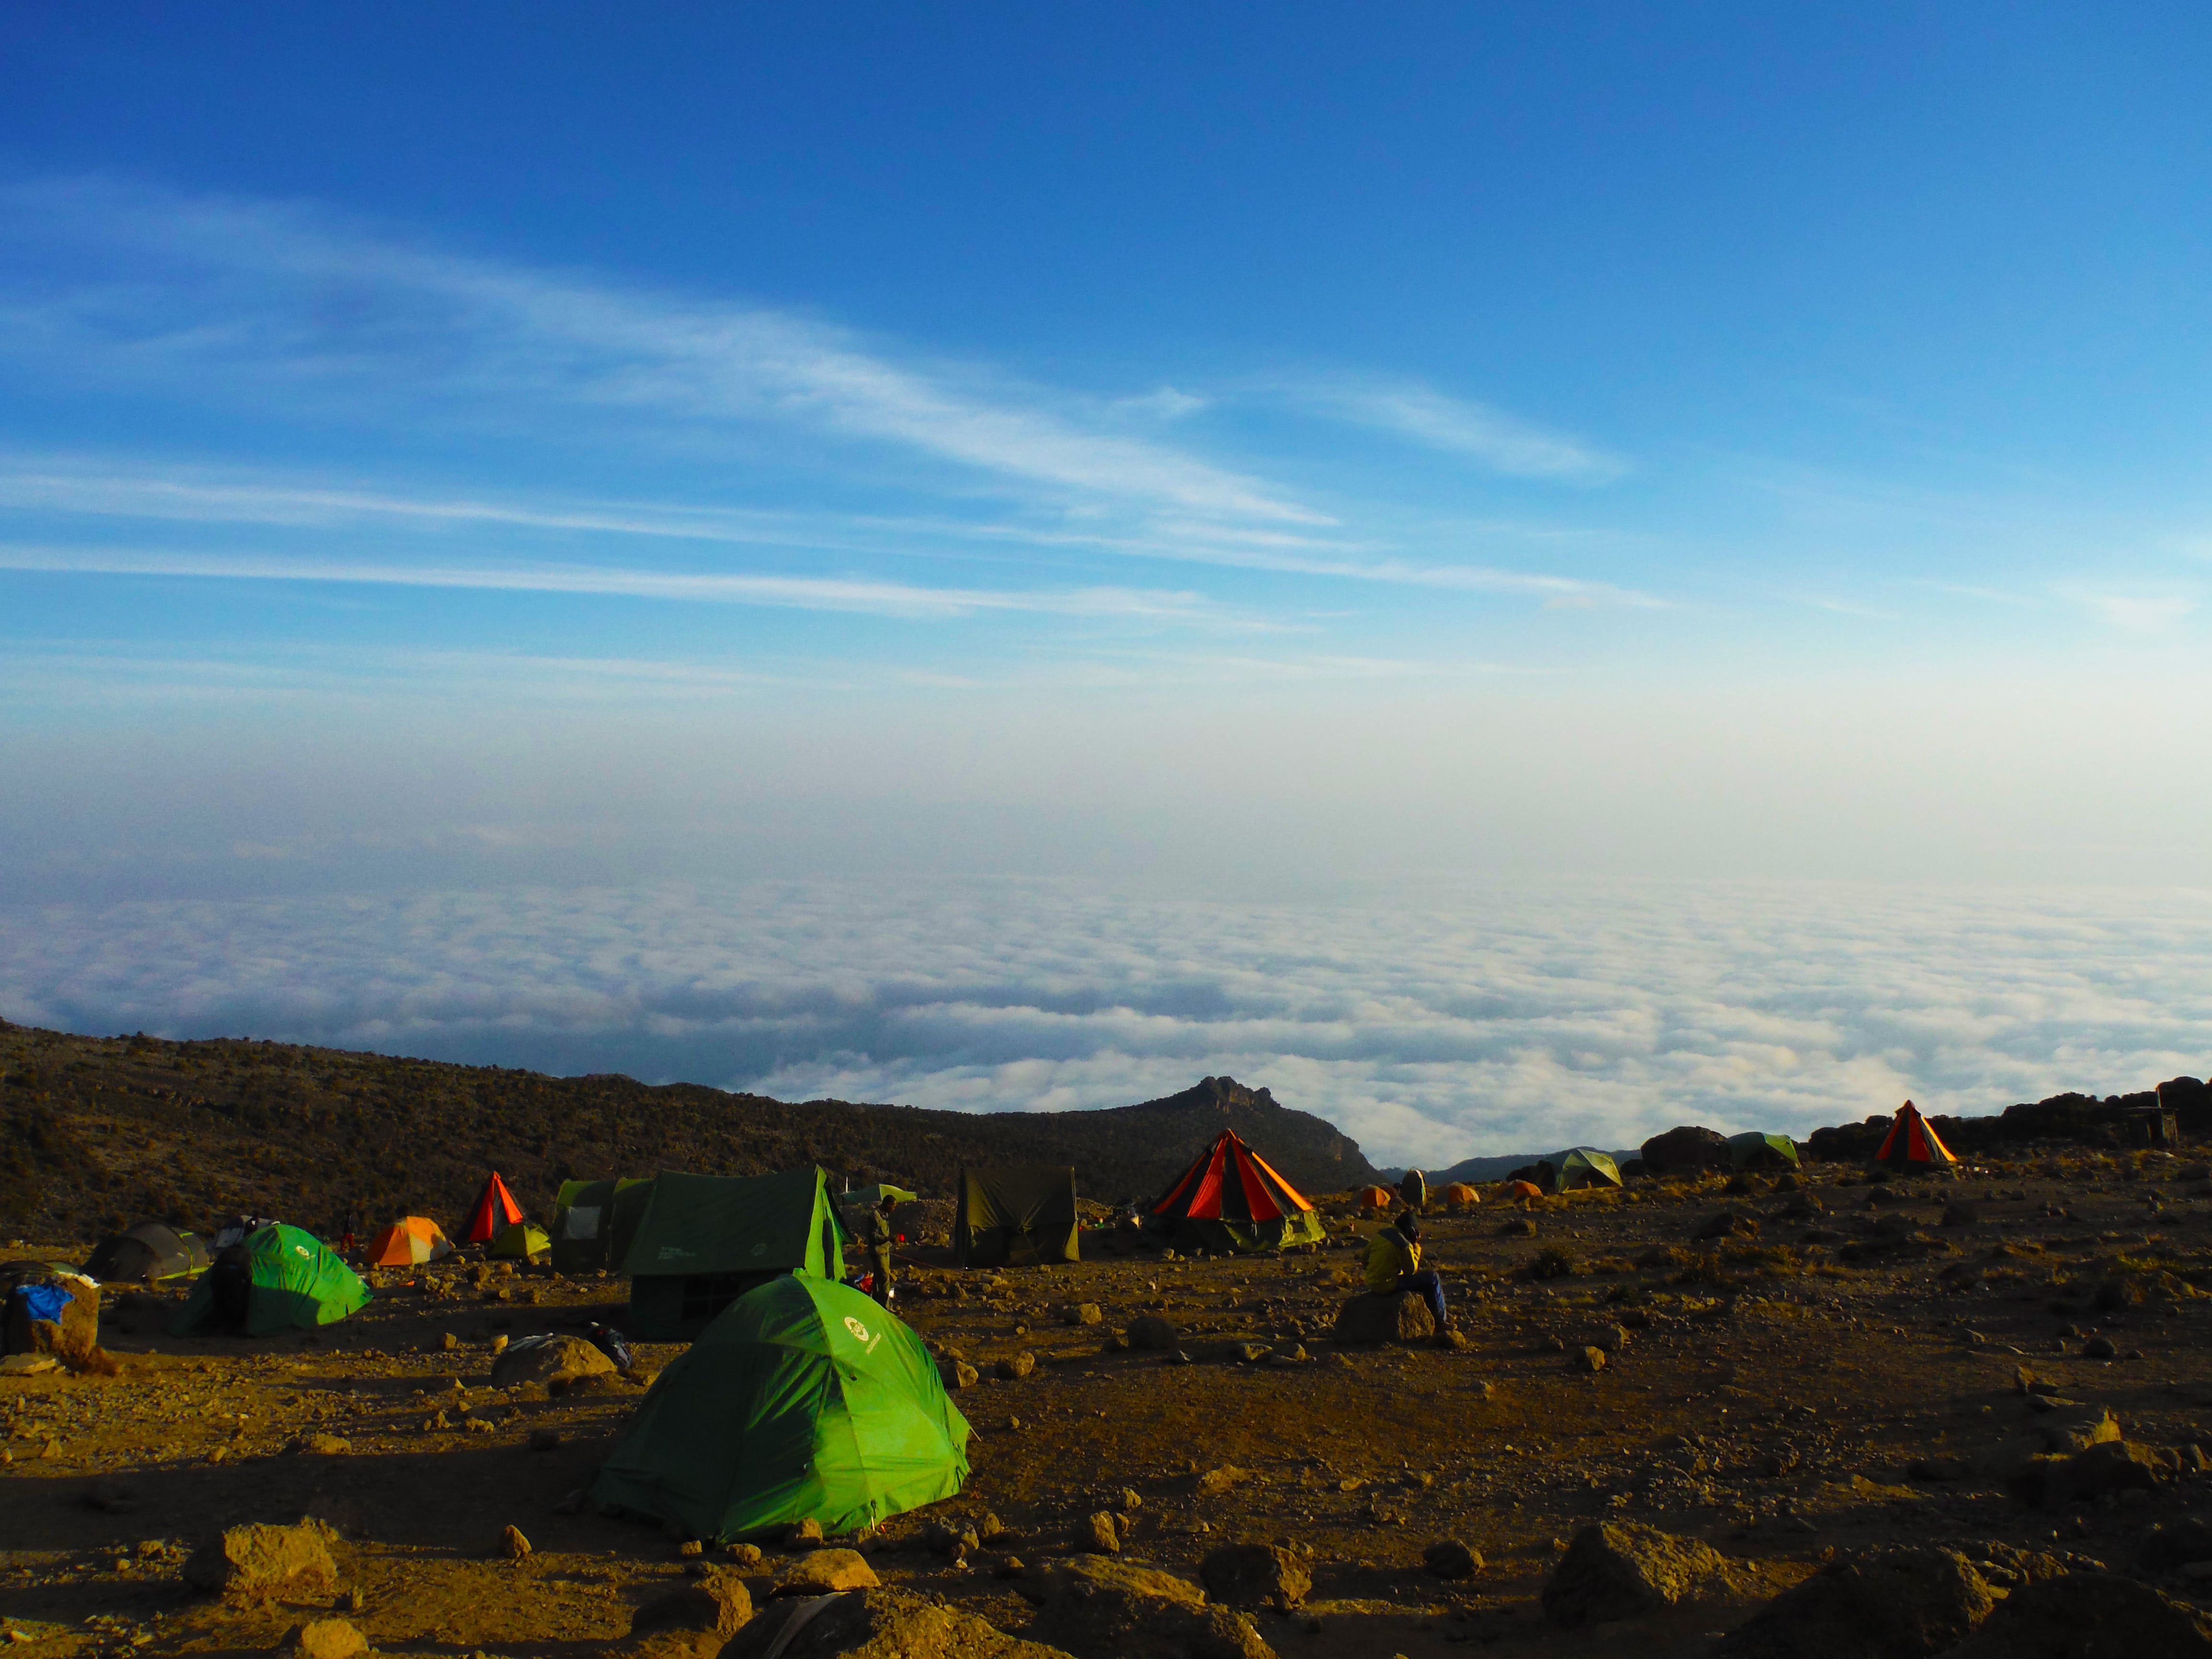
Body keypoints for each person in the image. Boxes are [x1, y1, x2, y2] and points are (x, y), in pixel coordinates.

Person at [1365, 1209, 1450, 1343]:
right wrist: (1415, 1246)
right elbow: (1411, 1271)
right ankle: (1440, 1322)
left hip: (1371, 1282)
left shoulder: (1381, 1234)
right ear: (1411, 1230)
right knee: (1432, 1278)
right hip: (1388, 1285)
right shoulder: (1403, 1244)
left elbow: (1364, 1258)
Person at [859, 1193, 899, 1309]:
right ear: (887, 1204)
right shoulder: (875, 1216)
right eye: (893, 1206)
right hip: (877, 1252)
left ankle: (877, 1304)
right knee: (885, 1280)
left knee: (878, 1279)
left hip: (885, 1251)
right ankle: (886, 1307)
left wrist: (892, 1239)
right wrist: (887, 1239)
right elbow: (873, 1236)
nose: (894, 1209)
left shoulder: (885, 1216)